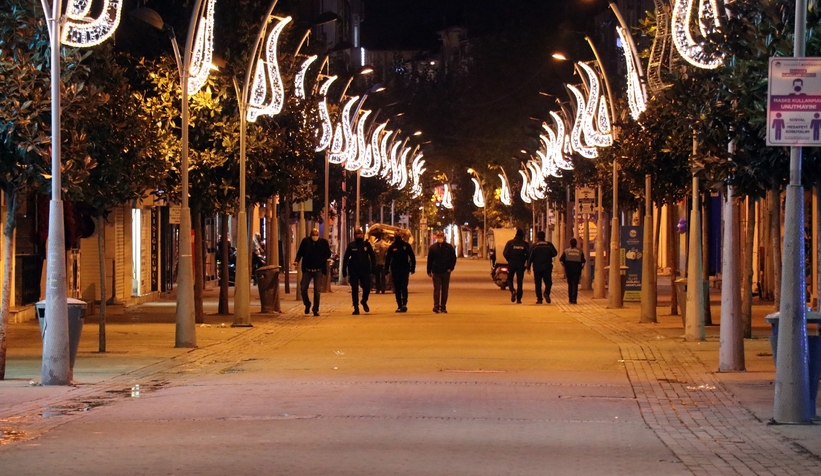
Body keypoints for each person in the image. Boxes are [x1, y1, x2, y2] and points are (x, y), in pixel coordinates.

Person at [293, 228, 331, 316]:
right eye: (313, 235)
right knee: (303, 288)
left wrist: (323, 258)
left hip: (318, 270)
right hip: (307, 269)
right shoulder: (306, 242)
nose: (315, 237)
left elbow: (328, 253)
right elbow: (300, 253)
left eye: (316, 235)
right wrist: (296, 261)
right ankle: (307, 304)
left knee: (317, 290)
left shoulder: (323, 243)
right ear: (310, 235)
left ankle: (315, 309)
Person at [342, 228, 377, 315]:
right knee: (354, 289)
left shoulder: (366, 245)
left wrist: (373, 268)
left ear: (362, 235)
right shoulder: (351, 246)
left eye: (360, 234)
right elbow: (346, 258)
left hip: (365, 270)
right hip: (354, 271)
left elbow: (372, 256)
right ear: (354, 236)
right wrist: (344, 269)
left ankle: (364, 301)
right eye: (357, 234)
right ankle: (356, 307)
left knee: (367, 288)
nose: (358, 236)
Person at [427, 230, 457, 313]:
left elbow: (453, 259)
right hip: (436, 271)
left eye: (441, 236)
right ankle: (436, 306)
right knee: (436, 289)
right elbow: (429, 260)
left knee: (445, 290)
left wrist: (451, 268)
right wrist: (429, 270)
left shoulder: (449, 247)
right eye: (438, 236)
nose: (440, 237)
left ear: (444, 237)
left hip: (445, 271)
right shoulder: (433, 248)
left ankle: (443, 306)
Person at [385, 233, 416, 313]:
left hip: (405, 269)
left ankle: (404, 303)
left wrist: (412, 268)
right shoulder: (392, 247)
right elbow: (388, 258)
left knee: (404, 286)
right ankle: (399, 304)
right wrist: (386, 269)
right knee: (397, 288)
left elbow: (412, 256)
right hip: (395, 269)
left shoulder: (406, 246)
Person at [527, 230, 558, 304]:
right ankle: (546, 293)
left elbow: (530, 257)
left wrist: (528, 267)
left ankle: (539, 299)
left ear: (537, 238)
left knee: (538, 284)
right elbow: (555, 253)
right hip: (547, 267)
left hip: (537, 268)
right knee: (548, 282)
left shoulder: (534, 246)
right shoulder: (549, 245)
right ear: (544, 237)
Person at [503, 229, 529, 304]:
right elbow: (528, 254)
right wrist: (524, 261)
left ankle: (512, 290)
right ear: (522, 235)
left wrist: (509, 259)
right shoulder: (525, 244)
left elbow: (505, 253)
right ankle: (519, 299)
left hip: (512, 263)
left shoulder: (510, 243)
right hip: (521, 264)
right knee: (520, 282)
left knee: (509, 279)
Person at [560, 237, 586, 304]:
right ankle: (574, 299)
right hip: (577, 270)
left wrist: (565, 265)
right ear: (576, 244)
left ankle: (570, 298)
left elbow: (561, 260)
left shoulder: (566, 251)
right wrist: (581, 267)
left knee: (570, 284)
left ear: (570, 244)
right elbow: (583, 261)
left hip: (569, 270)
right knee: (575, 284)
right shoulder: (580, 251)